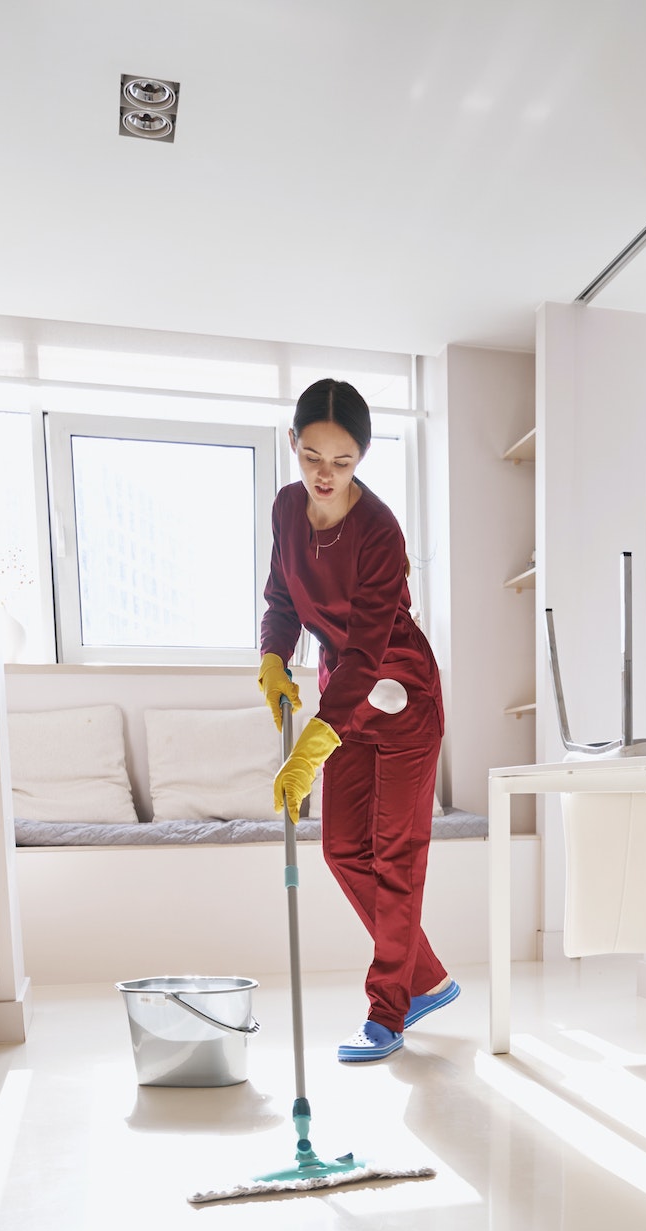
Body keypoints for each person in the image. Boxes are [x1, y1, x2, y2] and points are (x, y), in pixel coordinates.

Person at [258, 378, 459, 1063]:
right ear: (294, 444)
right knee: (342, 849)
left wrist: (317, 737)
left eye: (341, 462)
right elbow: (283, 597)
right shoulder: (287, 509)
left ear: (361, 460)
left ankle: (387, 1012)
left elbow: (370, 646)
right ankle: (424, 978)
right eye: (312, 455)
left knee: (394, 857)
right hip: (340, 697)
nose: (324, 474)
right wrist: (273, 657)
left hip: (399, 695)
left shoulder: (377, 531)